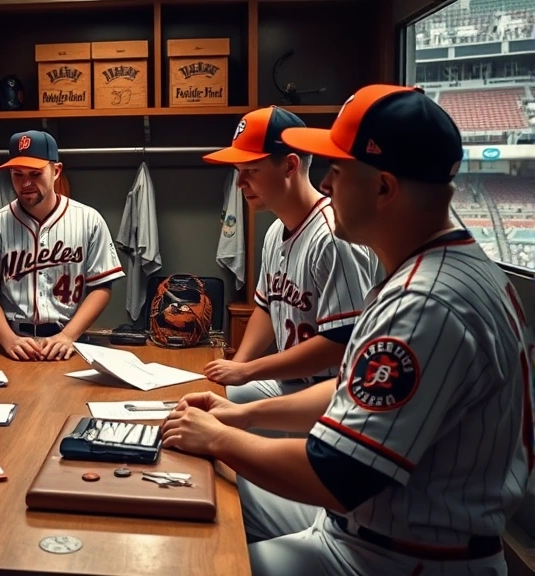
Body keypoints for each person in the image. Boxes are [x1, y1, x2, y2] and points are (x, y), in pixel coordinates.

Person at [163, 84, 534, 575]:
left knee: (195, 564)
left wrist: (218, 438)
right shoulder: (444, 267)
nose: (329, 183)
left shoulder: (424, 302)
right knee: (199, 487)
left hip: (399, 556)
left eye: (338, 170)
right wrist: (238, 419)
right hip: (371, 523)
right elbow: (350, 387)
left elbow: (338, 474)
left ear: (383, 188)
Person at [201, 106, 380, 405]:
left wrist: (247, 372)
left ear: (290, 165)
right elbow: (266, 308)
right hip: (290, 383)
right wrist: (236, 369)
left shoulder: (334, 236)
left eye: (251, 171)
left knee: (217, 423)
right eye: (238, 172)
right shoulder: (274, 232)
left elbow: (342, 342)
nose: (239, 183)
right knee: (203, 400)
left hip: (336, 394)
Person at [0, 130, 125, 362]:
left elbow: (101, 287)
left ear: (56, 171)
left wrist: (68, 336)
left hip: (69, 342)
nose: (26, 183)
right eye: (17, 174)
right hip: (12, 343)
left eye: (36, 174)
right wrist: (8, 339)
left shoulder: (89, 220)